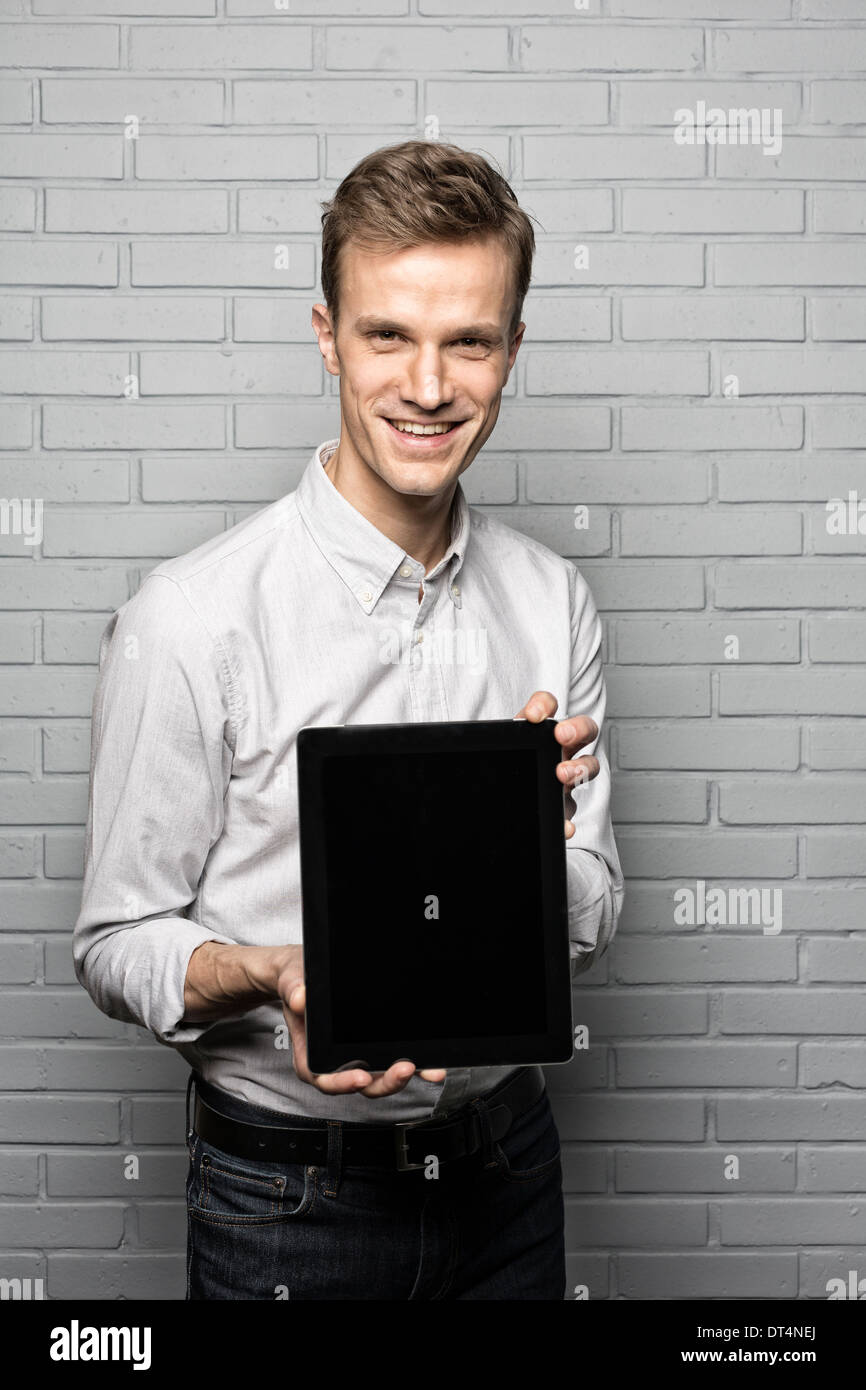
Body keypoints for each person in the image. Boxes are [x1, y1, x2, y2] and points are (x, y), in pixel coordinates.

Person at [73, 139, 624, 1301]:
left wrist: (530, 850)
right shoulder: (191, 617)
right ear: (325, 333)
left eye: (467, 340)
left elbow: (591, 915)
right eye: (387, 335)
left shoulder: (551, 603)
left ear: (511, 349)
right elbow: (115, 944)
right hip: (286, 1201)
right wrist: (272, 969)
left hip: (506, 1174)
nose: (427, 387)